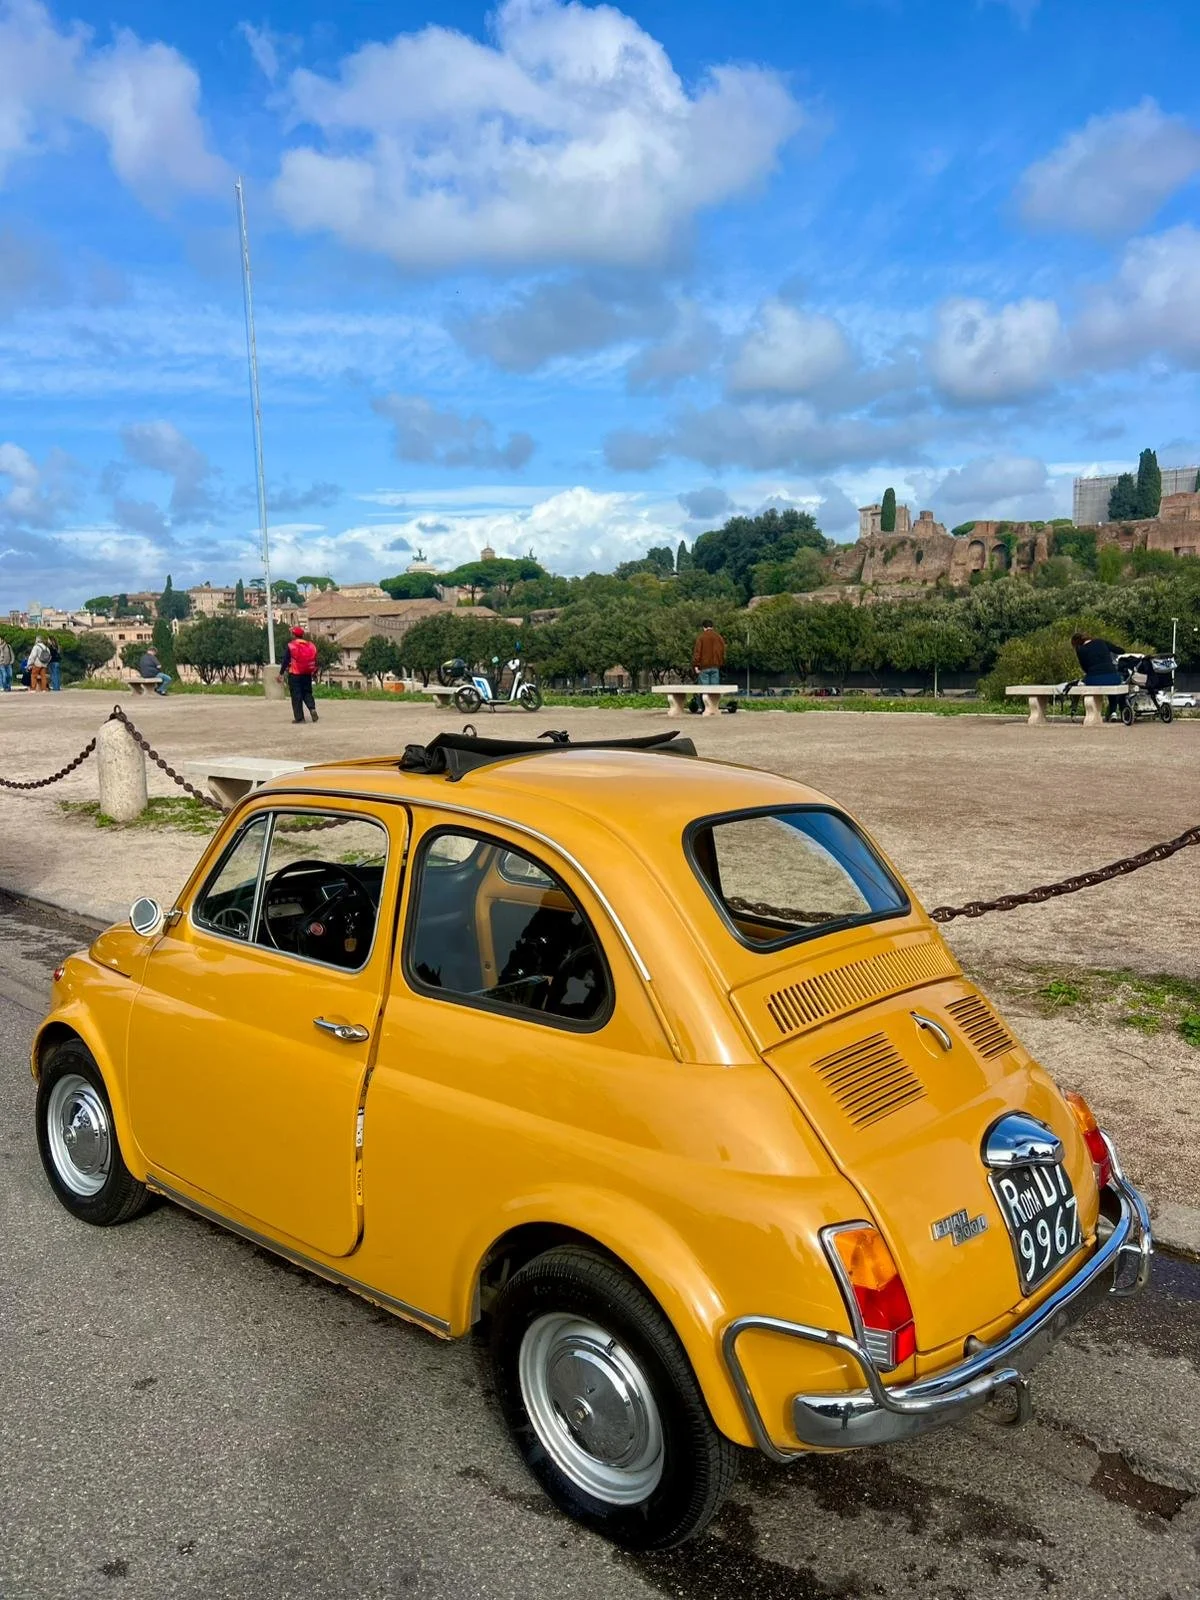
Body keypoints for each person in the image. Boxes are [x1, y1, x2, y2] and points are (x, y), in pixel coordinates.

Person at [1071, 632, 1123, 721]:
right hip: (1113, 676)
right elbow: (1121, 651)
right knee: (1112, 683)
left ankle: (1090, 712)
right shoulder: (1101, 642)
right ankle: (1113, 711)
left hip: (1094, 678)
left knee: (1084, 682)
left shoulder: (1080, 650)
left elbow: (1085, 668)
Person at [279, 625, 319, 724]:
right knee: (307, 692)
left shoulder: (291, 646)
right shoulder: (310, 645)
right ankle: (312, 708)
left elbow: (286, 660)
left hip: (295, 673)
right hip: (307, 673)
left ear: (294, 635)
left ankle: (300, 718)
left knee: (296, 695)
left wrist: (281, 673)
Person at [692, 620, 727, 687]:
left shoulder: (701, 637)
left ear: (704, 627)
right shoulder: (719, 638)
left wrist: (696, 665)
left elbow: (697, 652)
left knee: (705, 691)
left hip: (704, 667)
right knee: (714, 692)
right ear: (712, 627)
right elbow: (723, 651)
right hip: (715, 666)